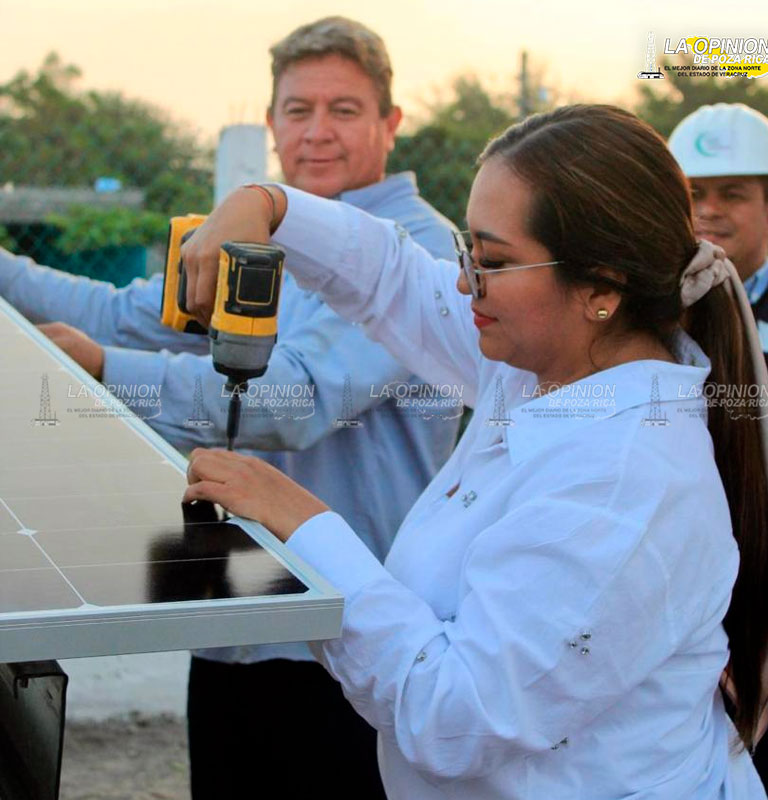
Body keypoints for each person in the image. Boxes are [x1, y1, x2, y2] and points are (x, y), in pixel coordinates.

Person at [180, 104, 768, 799]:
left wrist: (307, 530)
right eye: (468, 252)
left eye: (494, 260)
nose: (467, 281)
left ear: (599, 287)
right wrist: (266, 204)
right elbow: (391, 276)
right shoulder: (545, 362)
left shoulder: (624, 482)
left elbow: (456, 717)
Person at [0, 17, 460, 799]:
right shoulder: (249, 239)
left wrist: (107, 372)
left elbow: (294, 399)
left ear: (391, 122)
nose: (316, 132)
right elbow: (118, 315)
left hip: (343, 640)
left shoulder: (415, 252)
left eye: (343, 110)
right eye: (296, 110)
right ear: (272, 123)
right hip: (228, 623)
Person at [669, 102, 768, 800]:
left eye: (733, 194)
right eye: (694, 193)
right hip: (684, 621)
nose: (710, 211)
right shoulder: (645, 325)